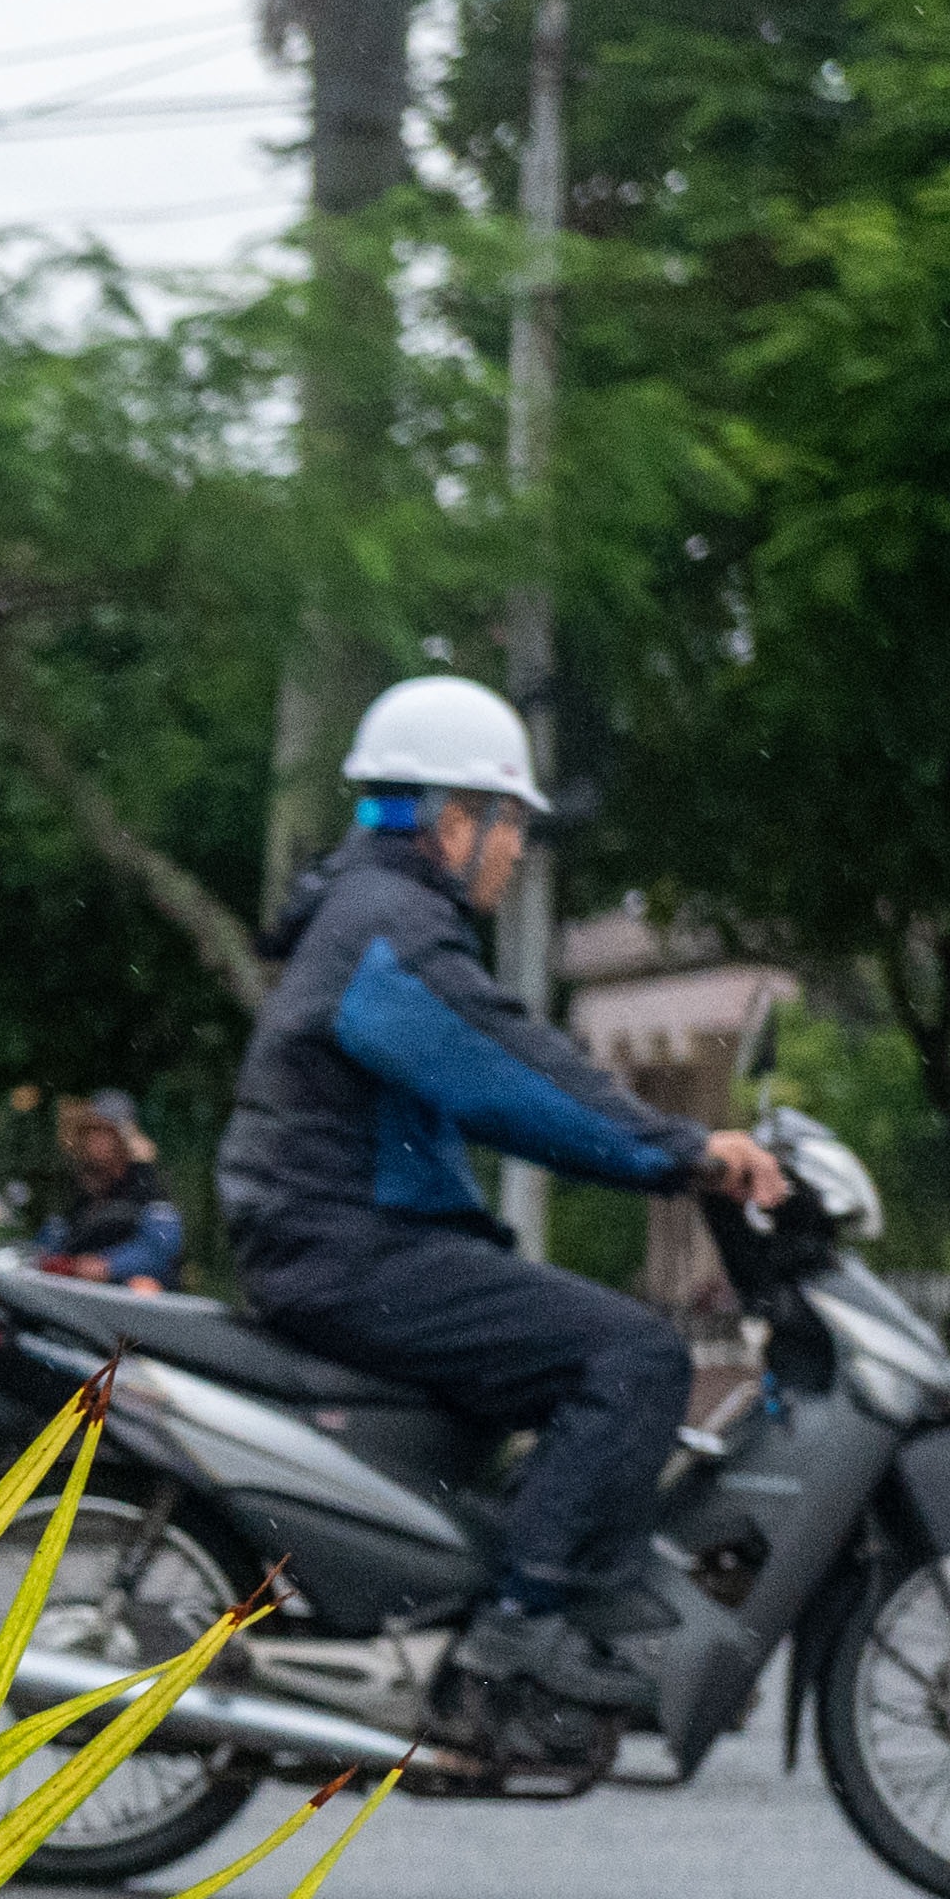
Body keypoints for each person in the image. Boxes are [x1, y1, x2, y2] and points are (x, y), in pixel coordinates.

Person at [213, 674, 786, 1742]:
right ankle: (520, 1632)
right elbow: (507, 1075)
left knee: (554, 1367)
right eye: (511, 822)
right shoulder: (389, 932)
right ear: (452, 818)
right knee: (632, 1358)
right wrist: (679, 1150)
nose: (518, 850)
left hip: (340, 1238)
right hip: (343, 1248)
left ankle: (493, 1586)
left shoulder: (370, 915)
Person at [30, 1091, 183, 1288]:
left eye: (104, 1131)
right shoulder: (78, 1194)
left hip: (125, 1303)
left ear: (123, 1140)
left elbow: (160, 1249)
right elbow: (46, 1248)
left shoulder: (146, 1189)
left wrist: (107, 1266)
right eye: (89, 1132)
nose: (94, 1141)